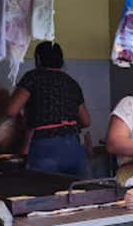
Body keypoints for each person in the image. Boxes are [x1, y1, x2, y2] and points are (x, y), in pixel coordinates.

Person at [6, 42, 91, 176]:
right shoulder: (71, 82)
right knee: (78, 193)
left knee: (45, 194)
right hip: (74, 148)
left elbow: (11, 110)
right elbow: (86, 121)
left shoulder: (33, 77)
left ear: (38, 59)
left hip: (45, 148)